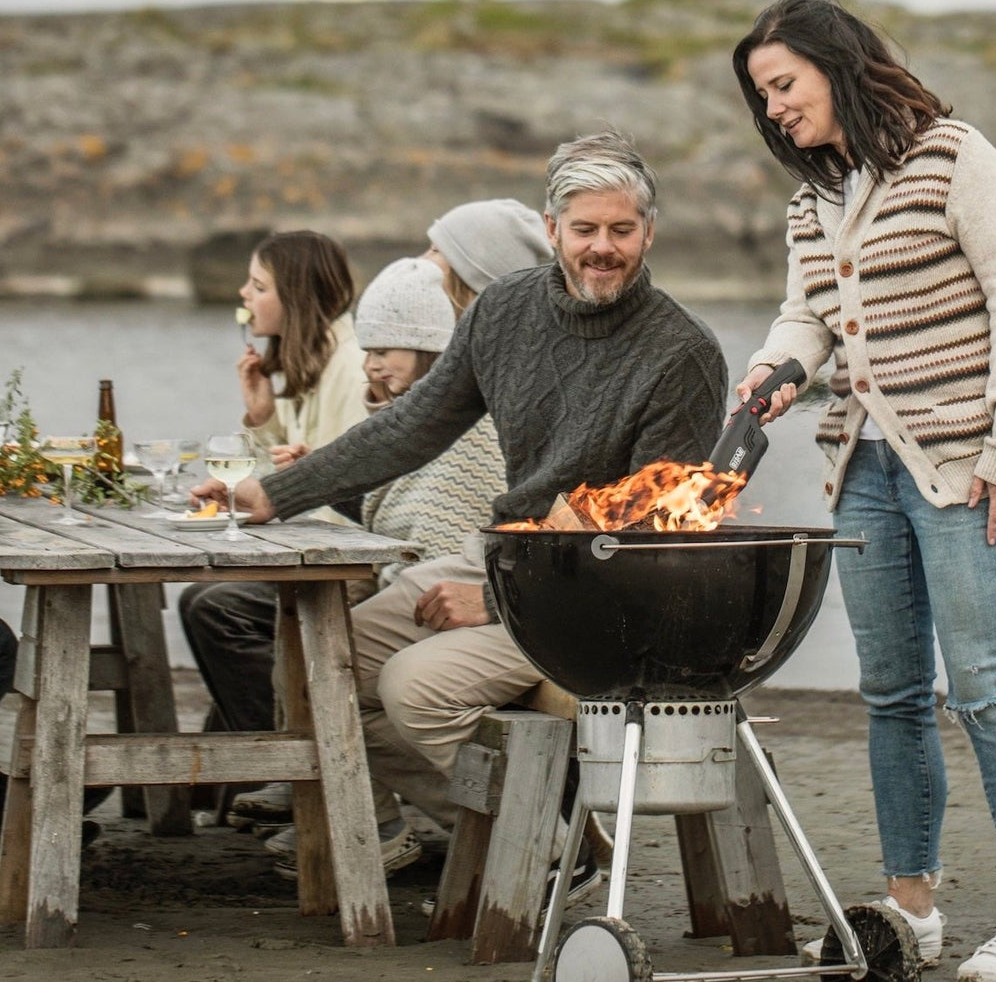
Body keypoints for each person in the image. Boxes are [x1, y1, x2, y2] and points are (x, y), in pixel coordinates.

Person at [194, 129, 729, 890]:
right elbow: (411, 427)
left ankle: (549, 844)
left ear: (649, 232)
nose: (602, 248)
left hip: (610, 603)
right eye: (584, 230)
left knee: (414, 689)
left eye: (621, 230)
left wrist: (499, 599)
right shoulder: (506, 310)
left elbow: (648, 531)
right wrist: (273, 492)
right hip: (507, 562)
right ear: (553, 232)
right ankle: (510, 826)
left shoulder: (682, 353)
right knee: (316, 667)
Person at [730, 0, 996, 982]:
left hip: (964, 469)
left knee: (989, 690)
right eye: (762, 97)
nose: (775, 110)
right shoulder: (814, 200)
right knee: (888, 695)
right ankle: (913, 909)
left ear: (838, 66)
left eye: (783, 85)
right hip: (862, 471)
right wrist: (773, 370)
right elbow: (810, 320)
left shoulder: (958, 158)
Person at [234, 204, 552, 846]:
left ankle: (515, 831)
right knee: (319, 655)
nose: (423, 272)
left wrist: (493, 597)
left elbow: (468, 512)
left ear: (475, 285)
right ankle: (482, 827)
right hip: (479, 568)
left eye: (440, 264)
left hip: (524, 589)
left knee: (349, 663)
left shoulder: (504, 387)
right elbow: (398, 479)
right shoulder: (471, 379)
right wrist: (284, 481)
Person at [178, 230, 366, 735]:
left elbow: (353, 489)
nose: (244, 294)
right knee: (206, 597)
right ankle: (260, 756)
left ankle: (287, 756)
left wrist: (288, 482)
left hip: (351, 568)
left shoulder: (352, 368)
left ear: (296, 299)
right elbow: (279, 474)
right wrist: (262, 413)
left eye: (258, 285)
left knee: (215, 607)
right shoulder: (309, 363)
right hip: (312, 550)